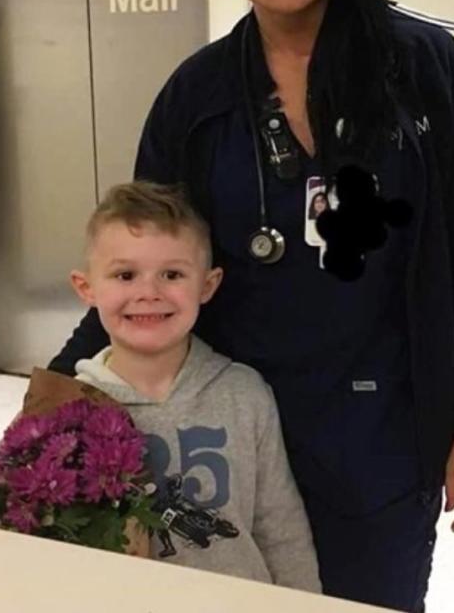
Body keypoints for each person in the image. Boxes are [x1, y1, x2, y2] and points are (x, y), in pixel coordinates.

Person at [48, 0, 454, 612]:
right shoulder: (195, 98)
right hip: (225, 436)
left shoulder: (425, 71)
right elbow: (144, 260)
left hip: (385, 437)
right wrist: (58, 395)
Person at [68, 181, 319, 592]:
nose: (148, 293)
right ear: (86, 288)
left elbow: (280, 527)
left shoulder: (245, 393)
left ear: (207, 284)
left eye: (172, 274)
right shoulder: (69, 411)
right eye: (125, 274)